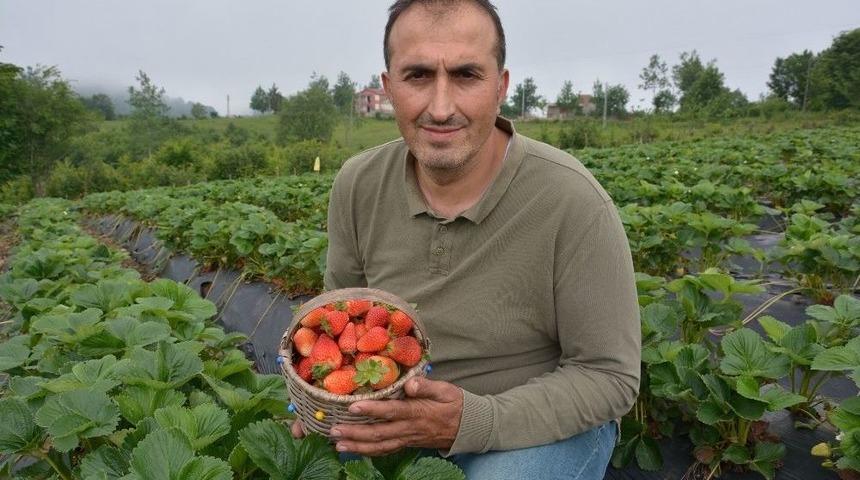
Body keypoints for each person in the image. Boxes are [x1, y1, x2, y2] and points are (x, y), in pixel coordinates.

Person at [292, 0, 641, 477]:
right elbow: (338, 315)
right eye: (417, 76)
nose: (440, 107)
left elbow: (609, 376)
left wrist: (470, 421)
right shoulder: (358, 184)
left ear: (501, 87)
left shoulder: (572, 201)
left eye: (466, 75)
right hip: (393, 408)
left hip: (534, 425)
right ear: (389, 87)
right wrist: (321, 399)